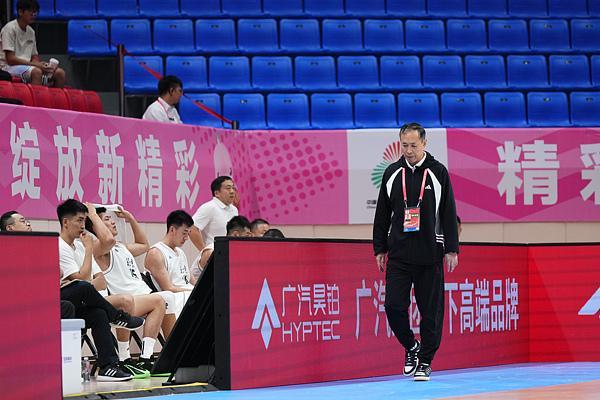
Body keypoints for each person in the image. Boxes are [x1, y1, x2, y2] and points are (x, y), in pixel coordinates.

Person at [373, 123, 459, 382]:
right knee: (393, 306)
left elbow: (448, 211)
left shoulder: (437, 172)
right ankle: (411, 346)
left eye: (413, 145)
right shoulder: (392, 173)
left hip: (429, 254)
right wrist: (379, 247)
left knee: (430, 312)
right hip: (399, 254)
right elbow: (382, 213)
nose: (408, 151)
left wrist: (451, 249)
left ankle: (426, 361)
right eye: (404, 145)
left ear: (424, 144)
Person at [57, 199, 146, 381]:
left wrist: (86, 276)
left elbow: (101, 282)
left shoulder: (79, 246)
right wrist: (89, 249)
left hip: (82, 298)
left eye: (84, 220)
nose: (83, 225)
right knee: (82, 287)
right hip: (60, 300)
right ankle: (117, 316)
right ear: (65, 222)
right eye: (79, 220)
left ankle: (108, 367)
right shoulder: (59, 246)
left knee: (98, 313)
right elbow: (83, 280)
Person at [86, 206, 180, 376]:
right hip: (124, 300)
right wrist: (92, 215)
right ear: (96, 226)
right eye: (106, 219)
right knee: (161, 299)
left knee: (168, 298)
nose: (113, 221)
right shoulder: (98, 248)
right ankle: (145, 358)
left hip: (140, 296)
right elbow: (107, 240)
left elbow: (144, 245)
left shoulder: (121, 247)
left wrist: (130, 218)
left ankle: (170, 355)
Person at [0, 0, 66, 87]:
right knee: (36, 72)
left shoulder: (31, 32)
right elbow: (10, 59)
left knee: (60, 73)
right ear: (20, 12)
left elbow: (34, 57)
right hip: (8, 67)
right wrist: (36, 65)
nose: (34, 15)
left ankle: (55, 96)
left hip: (28, 66)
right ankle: (37, 96)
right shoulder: (9, 28)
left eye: (35, 12)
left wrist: (42, 65)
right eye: (30, 11)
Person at [189, 176, 238, 277]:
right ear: (217, 193)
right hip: (212, 259)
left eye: (233, 188)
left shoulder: (234, 210)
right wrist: (205, 251)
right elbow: (192, 229)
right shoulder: (209, 207)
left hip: (228, 257)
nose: (232, 191)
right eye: (228, 188)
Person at [145, 210, 194, 302]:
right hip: (175, 299)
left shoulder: (181, 252)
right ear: (172, 230)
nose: (187, 238)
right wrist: (194, 293)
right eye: (184, 233)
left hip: (188, 296)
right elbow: (168, 288)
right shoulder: (156, 253)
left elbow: (192, 281)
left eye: (188, 234)